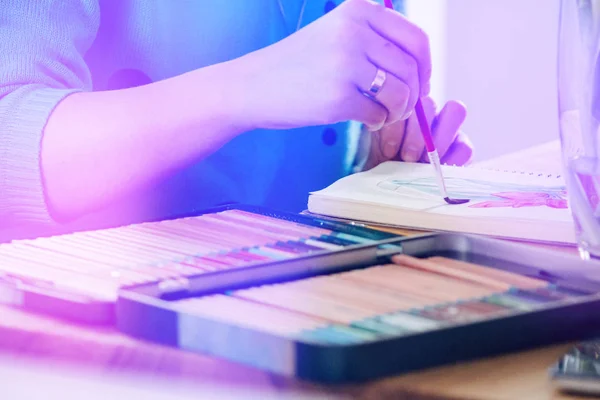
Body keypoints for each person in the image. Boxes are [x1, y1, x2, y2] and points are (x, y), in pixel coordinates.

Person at [0, 0, 472, 236]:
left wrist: (375, 166)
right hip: (98, 337)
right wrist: (251, 84)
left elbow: (327, 139)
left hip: (305, 310)